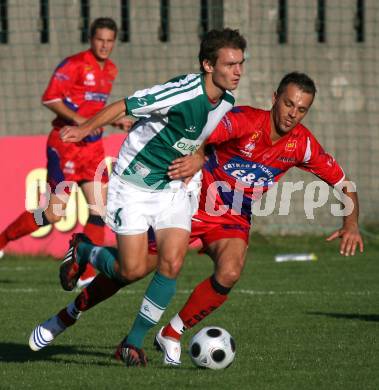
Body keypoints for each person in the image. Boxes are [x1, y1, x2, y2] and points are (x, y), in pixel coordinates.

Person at [29, 72, 364, 367]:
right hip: (192, 204)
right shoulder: (245, 120)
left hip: (232, 218)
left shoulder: (302, 144)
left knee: (231, 271)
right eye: (289, 104)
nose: (293, 114)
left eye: (302, 109)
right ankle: (69, 308)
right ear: (275, 98)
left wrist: (350, 223)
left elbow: (344, 184)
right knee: (130, 271)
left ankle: (167, 334)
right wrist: (198, 158)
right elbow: (205, 137)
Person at [55, 28, 247, 365]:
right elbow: (125, 105)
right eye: (230, 64)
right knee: (129, 270)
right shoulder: (181, 91)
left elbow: (205, 138)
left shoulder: (226, 101)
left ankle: (132, 343)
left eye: (241, 63)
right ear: (207, 64)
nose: (238, 71)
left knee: (171, 262)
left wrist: (199, 158)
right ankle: (85, 249)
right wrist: (85, 128)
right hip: (133, 182)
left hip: (173, 188)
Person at [0, 17, 131, 286]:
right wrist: (83, 122)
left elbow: (93, 109)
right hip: (66, 144)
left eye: (109, 41)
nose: (104, 45)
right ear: (90, 39)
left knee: (100, 210)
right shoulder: (74, 64)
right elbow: (50, 98)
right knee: (53, 213)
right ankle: (2, 239)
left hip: (92, 148)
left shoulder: (111, 70)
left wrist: (112, 120)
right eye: (100, 40)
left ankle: (86, 272)